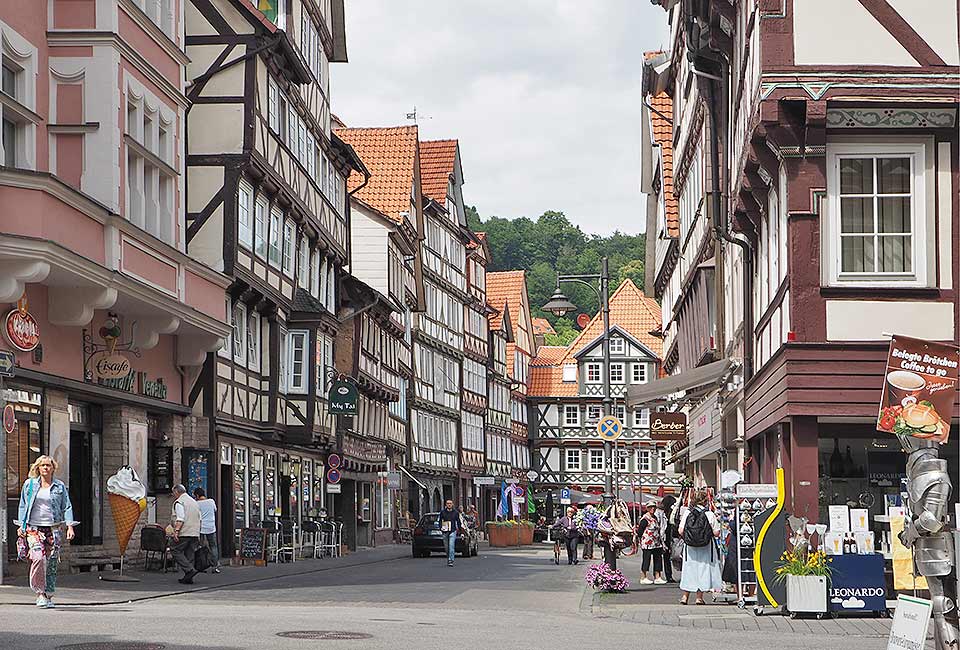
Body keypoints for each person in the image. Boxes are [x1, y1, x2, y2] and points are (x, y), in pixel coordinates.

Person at [16, 455, 77, 608]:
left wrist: (70, 526)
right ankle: (40, 593)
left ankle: (49, 593)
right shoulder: (29, 485)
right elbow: (23, 505)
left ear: (53, 468)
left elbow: (66, 506)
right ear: (38, 468)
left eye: (48, 465)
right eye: (42, 465)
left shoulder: (59, 487)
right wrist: (21, 525)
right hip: (34, 528)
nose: (45, 468)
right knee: (38, 558)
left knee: (51, 563)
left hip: (53, 528)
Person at [677, 490, 722, 605]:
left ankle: (685, 597)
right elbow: (716, 533)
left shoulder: (688, 513)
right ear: (705, 501)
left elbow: (680, 530)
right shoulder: (709, 514)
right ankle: (699, 597)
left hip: (690, 547)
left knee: (689, 570)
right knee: (702, 569)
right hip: (705, 546)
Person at [170, 484, 202, 584]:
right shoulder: (194, 502)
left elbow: (180, 518)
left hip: (185, 531)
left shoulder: (180, 502)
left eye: (173, 493)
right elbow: (200, 518)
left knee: (175, 549)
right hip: (195, 532)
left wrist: (176, 531)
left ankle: (189, 570)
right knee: (190, 553)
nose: (173, 495)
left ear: (176, 492)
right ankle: (189, 578)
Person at [637, 502, 666, 585]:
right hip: (647, 543)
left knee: (658, 559)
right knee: (646, 559)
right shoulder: (645, 519)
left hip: (656, 542)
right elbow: (640, 531)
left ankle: (657, 576)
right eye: (650, 507)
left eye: (654, 507)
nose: (652, 509)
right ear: (647, 508)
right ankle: (643, 577)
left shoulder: (655, 518)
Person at [193, 487, 220, 573]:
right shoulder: (211, 501)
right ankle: (215, 566)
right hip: (211, 527)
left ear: (197, 495)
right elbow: (215, 510)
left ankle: (201, 565)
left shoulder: (196, 504)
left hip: (201, 527)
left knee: (200, 546)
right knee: (213, 546)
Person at [438, 499, 462, 567]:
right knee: (446, 547)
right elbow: (440, 521)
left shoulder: (456, 512)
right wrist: (440, 528)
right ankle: (448, 557)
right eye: (448, 503)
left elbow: (458, 521)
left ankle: (450, 560)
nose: (449, 504)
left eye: (450, 503)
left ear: (452, 504)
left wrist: (460, 531)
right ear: (446, 505)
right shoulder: (443, 512)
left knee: (451, 546)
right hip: (445, 531)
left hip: (452, 530)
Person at [660, 493, 677, 583]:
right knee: (668, 557)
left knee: (664, 557)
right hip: (670, 537)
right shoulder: (673, 514)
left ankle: (664, 575)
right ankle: (669, 575)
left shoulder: (663, 514)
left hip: (664, 537)